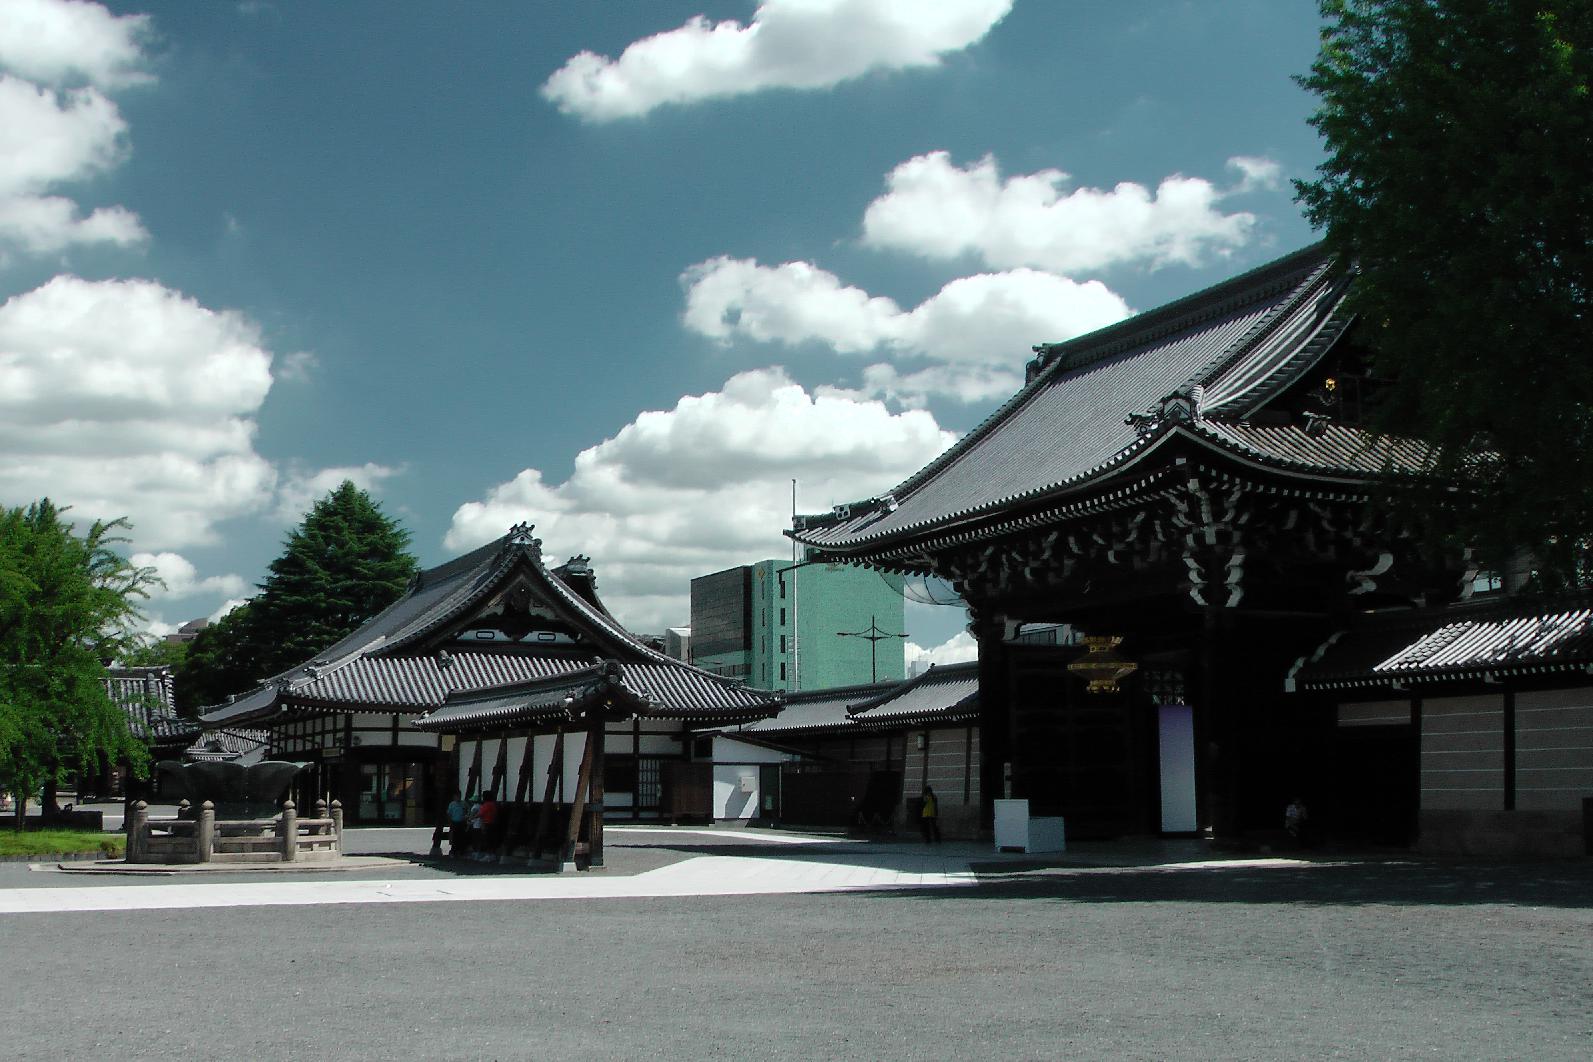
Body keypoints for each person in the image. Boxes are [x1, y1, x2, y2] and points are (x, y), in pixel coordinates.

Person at [445, 789, 469, 857]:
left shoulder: (464, 803)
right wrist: (450, 822)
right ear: (454, 797)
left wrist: (466, 817)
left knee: (461, 837)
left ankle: (461, 851)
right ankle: (453, 851)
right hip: (454, 822)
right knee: (454, 837)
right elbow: (449, 814)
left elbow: (467, 811)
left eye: (459, 796)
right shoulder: (452, 804)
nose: (458, 797)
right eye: (457, 796)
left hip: (462, 822)